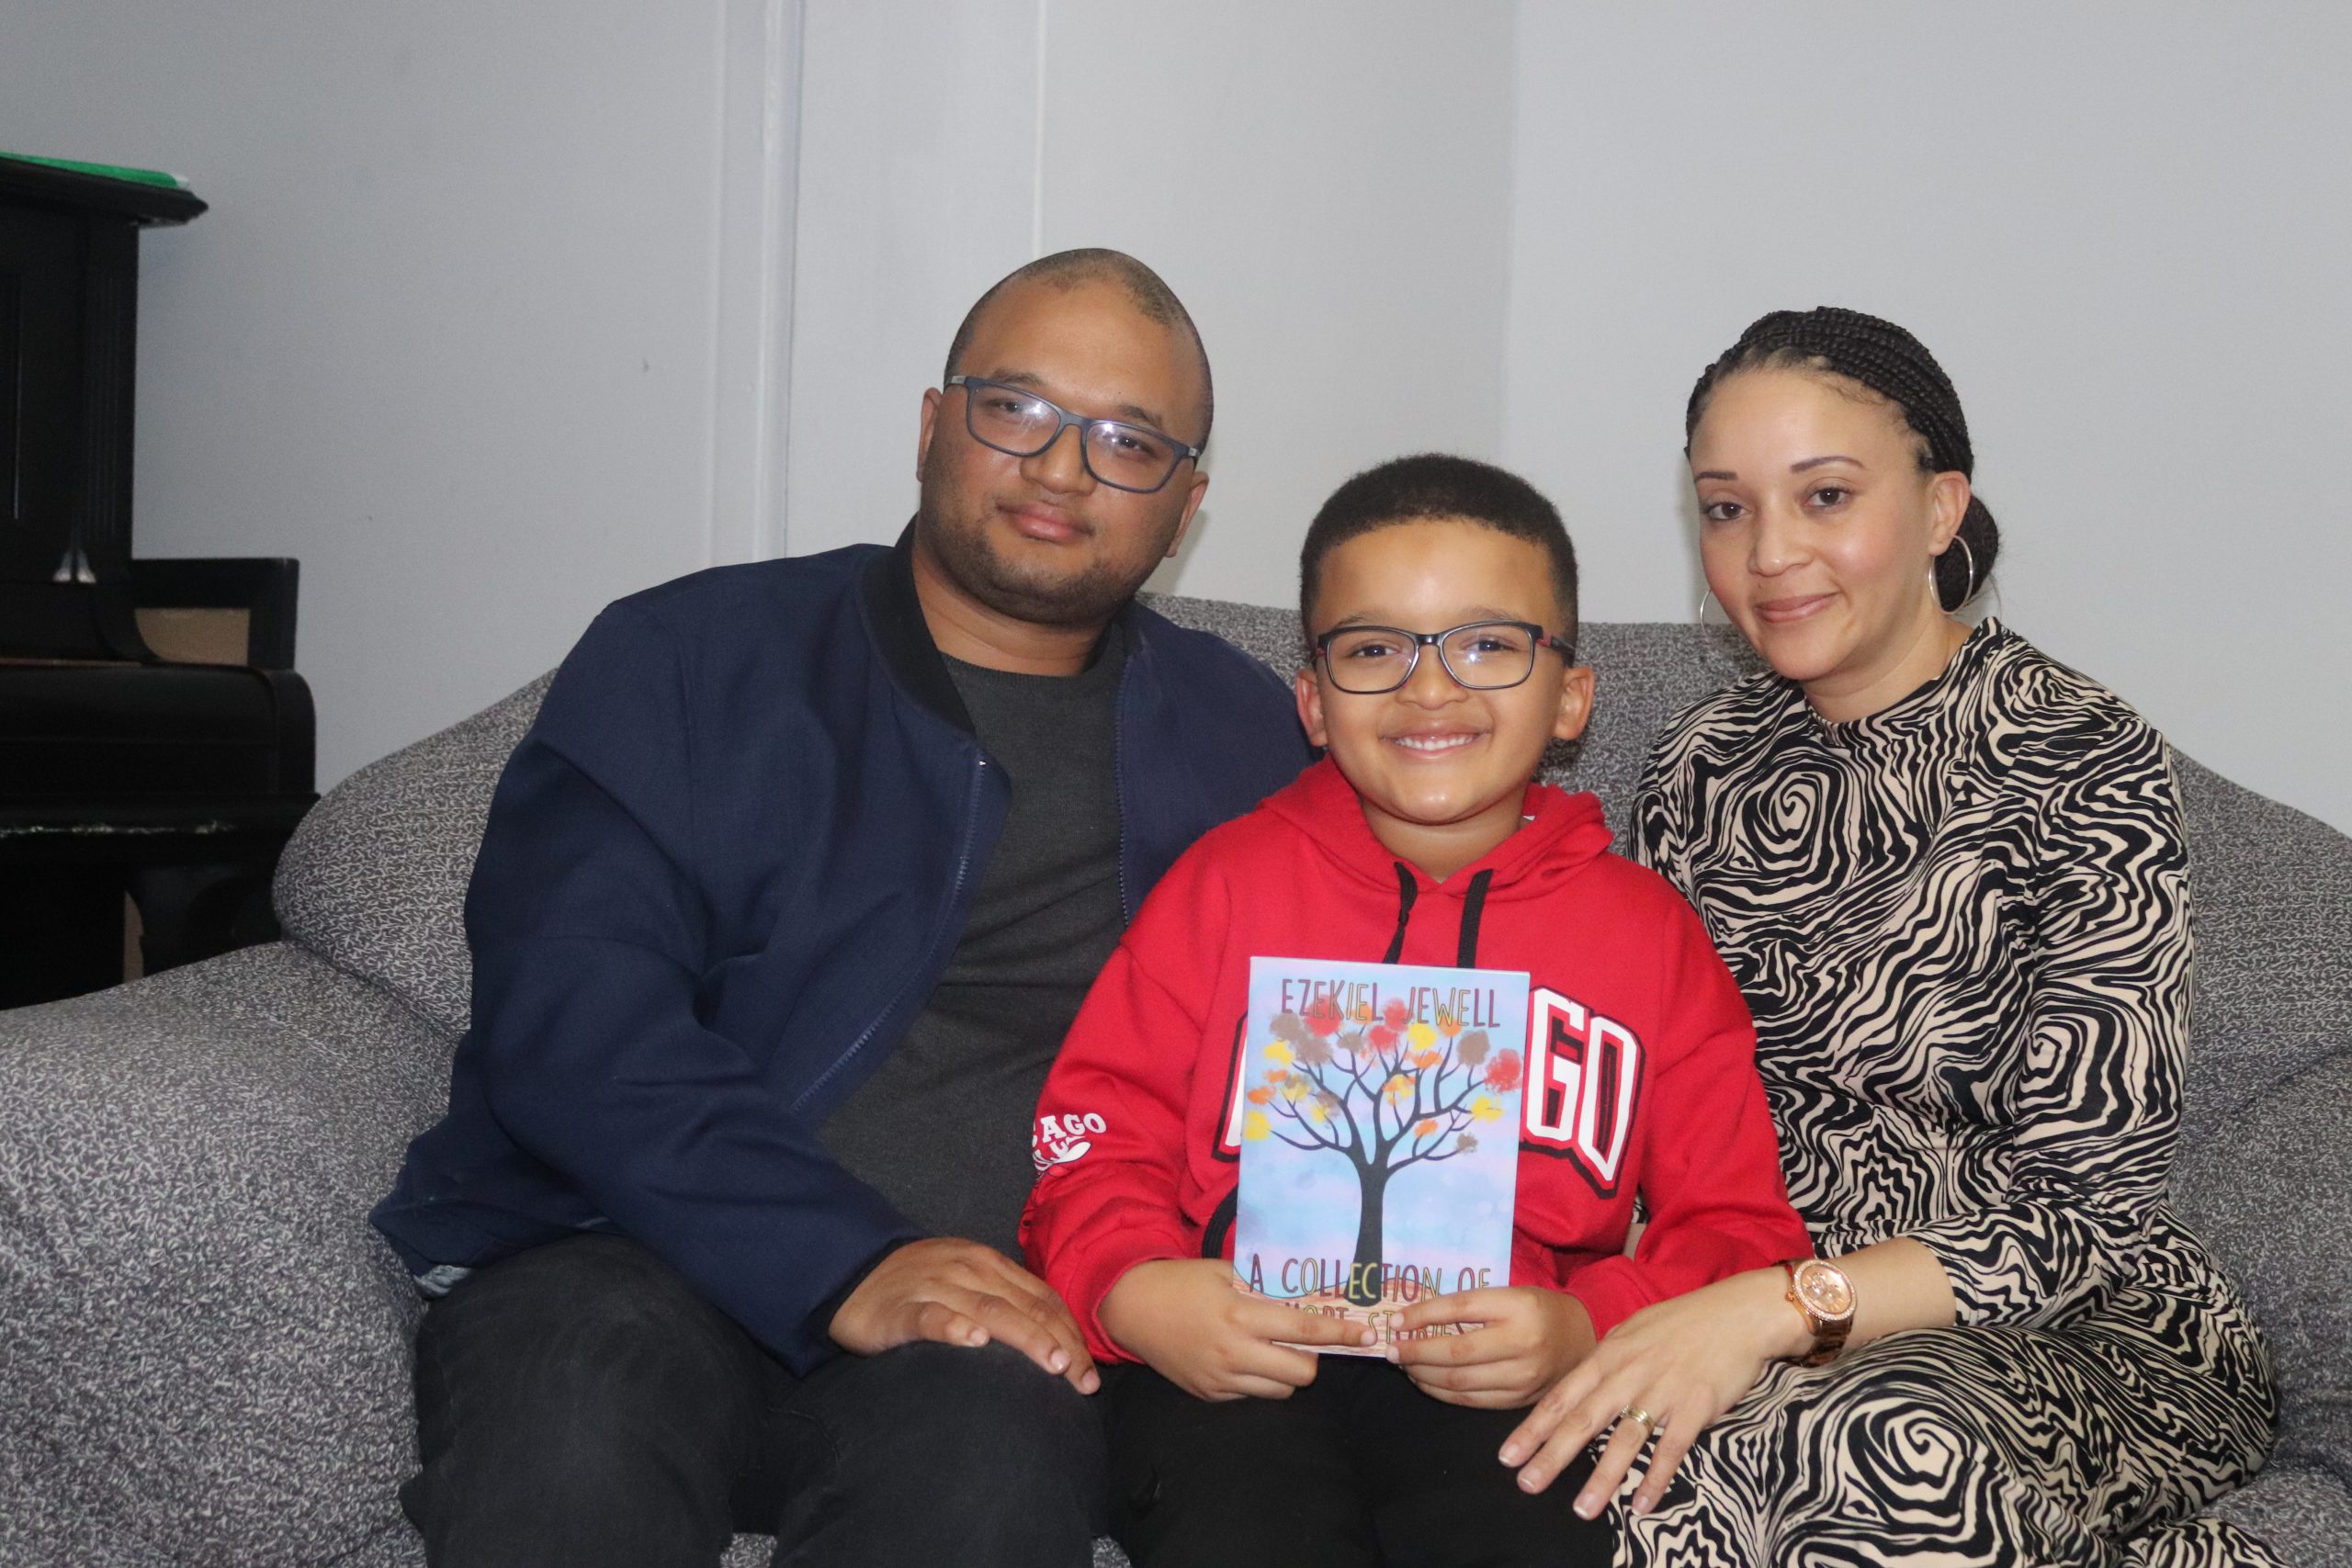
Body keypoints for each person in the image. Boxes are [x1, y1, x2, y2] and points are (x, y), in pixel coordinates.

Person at [369, 248, 1315, 1568]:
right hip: (631, 1253)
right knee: (575, 1419)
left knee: (990, 1468)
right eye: (1015, 409)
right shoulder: (689, 657)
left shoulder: (1252, 736)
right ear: (934, 423)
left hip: (999, 1318)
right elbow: (574, 1021)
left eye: (1128, 442)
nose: (1060, 469)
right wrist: (842, 1258)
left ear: (1187, 503)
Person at [1499, 308, 2278, 1565]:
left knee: (1874, 1442)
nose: (1770, 552)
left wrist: (1773, 1310)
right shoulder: (1696, 770)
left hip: (2074, 1328)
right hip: (1751, 1305)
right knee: (1612, 1468)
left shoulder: (2085, 758)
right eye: (1726, 507)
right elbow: (1648, 1120)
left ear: (1938, 508)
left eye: (1825, 495)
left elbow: (2091, 1214)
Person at [1020, 453, 1815, 1568]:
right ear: (1311, 699)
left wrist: (1587, 1324)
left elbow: (1740, 1228)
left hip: (1504, 1385)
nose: (1428, 689)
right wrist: (1135, 1289)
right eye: (1372, 649)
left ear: (1573, 695)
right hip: (1233, 1371)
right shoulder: (1224, 885)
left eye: (1488, 644)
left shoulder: (1648, 937)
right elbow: (1094, 1137)